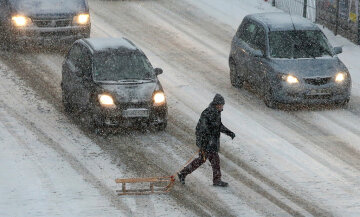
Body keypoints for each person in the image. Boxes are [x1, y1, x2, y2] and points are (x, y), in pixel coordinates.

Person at [178, 94, 235, 187]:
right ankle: (216, 180)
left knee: (202, 160)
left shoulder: (216, 112)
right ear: (216, 104)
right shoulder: (208, 113)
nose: (222, 106)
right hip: (207, 143)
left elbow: (219, 125)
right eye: (220, 105)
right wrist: (205, 143)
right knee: (214, 160)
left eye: (222, 105)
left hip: (210, 142)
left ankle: (183, 173)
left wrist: (229, 132)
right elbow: (202, 129)